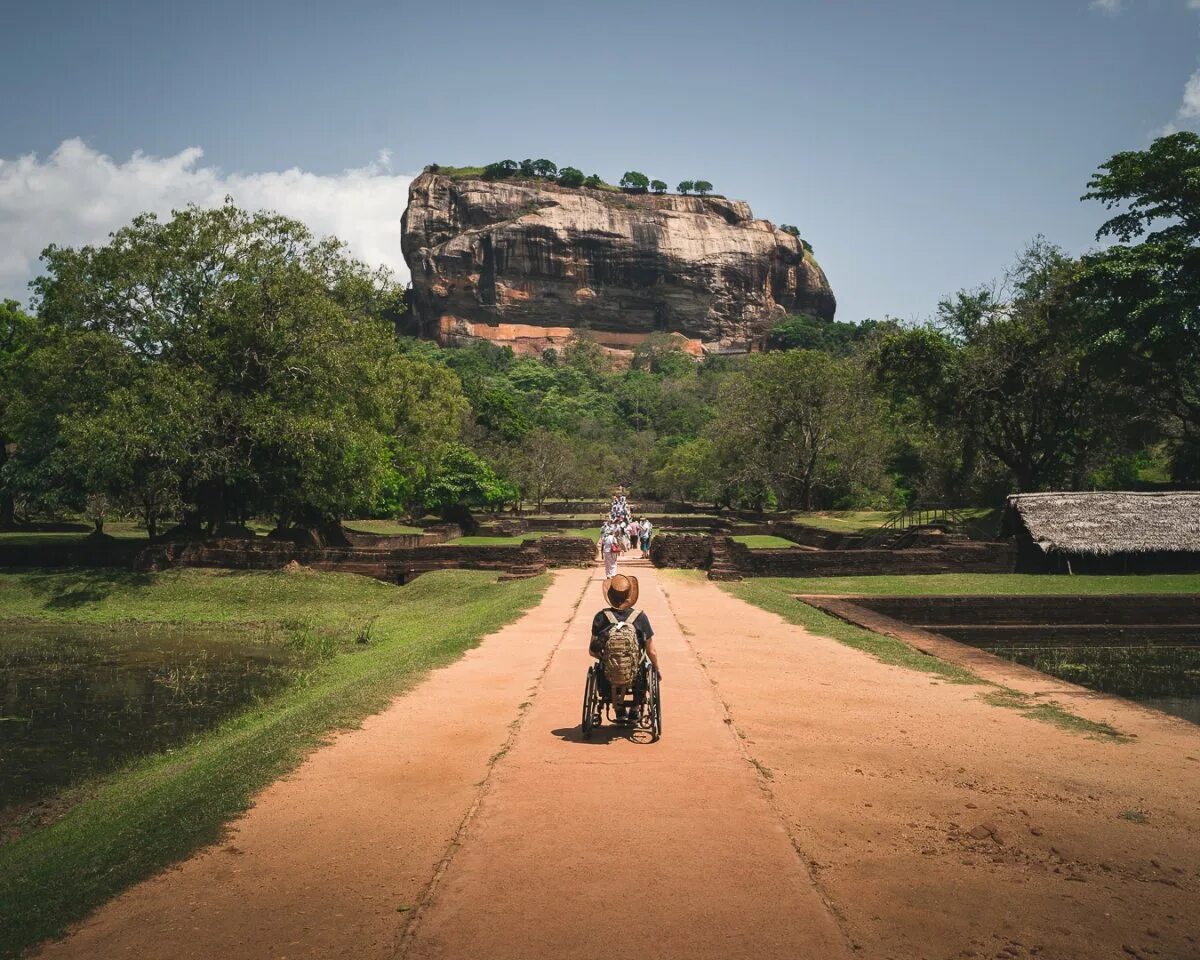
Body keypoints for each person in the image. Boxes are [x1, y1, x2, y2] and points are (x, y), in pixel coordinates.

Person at [589, 574, 661, 721]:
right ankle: (635, 708)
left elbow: (592, 650)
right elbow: (651, 650)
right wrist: (657, 669)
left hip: (608, 677)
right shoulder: (640, 617)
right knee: (644, 664)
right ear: (630, 595)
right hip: (636, 675)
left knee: (603, 667)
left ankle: (619, 709)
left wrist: (609, 658)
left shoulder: (601, 617)